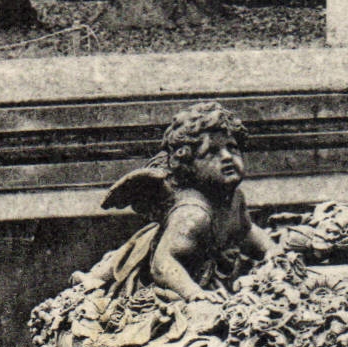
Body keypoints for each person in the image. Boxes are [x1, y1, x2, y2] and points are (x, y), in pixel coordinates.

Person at [99, 102, 279, 301]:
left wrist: (274, 253)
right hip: (174, 282)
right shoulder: (193, 213)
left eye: (232, 147)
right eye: (212, 152)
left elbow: (247, 231)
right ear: (188, 165)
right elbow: (163, 263)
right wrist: (193, 293)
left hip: (211, 276)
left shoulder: (236, 198)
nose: (227, 157)